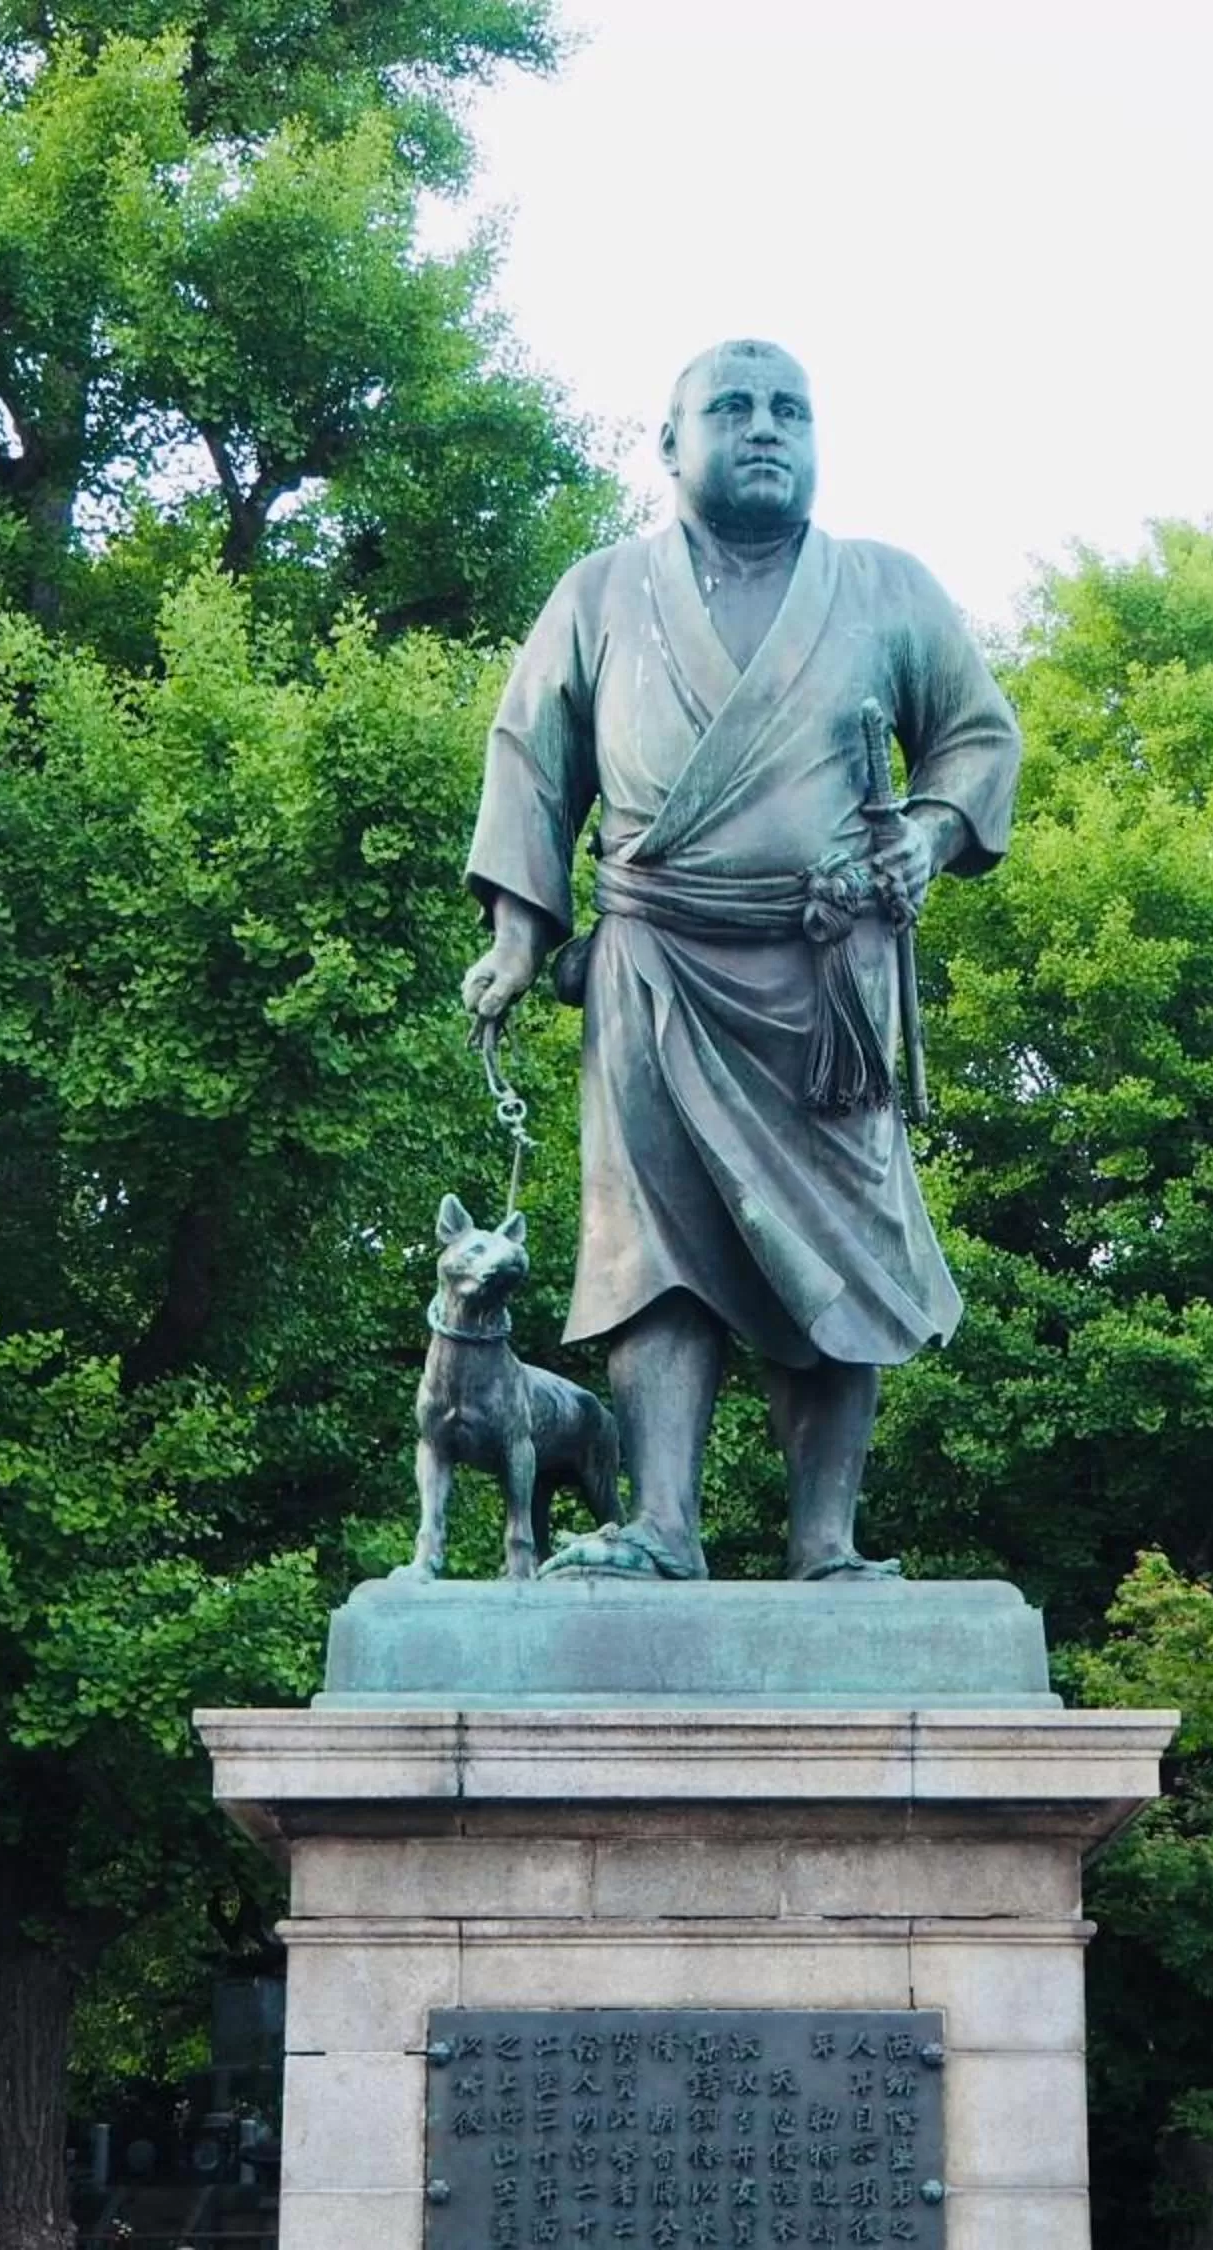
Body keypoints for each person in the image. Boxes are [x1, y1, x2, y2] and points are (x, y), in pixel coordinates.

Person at [460, 339, 1021, 1580]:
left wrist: (928, 836)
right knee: (652, 1246)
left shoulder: (887, 590)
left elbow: (979, 738)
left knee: (845, 1247)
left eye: (789, 410)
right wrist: (517, 936)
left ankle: (827, 1542)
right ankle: (660, 1522)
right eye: (731, 408)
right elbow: (532, 758)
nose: (764, 427)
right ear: (670, 445)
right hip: (654, 957)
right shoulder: (602, 593)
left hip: (830, 979)